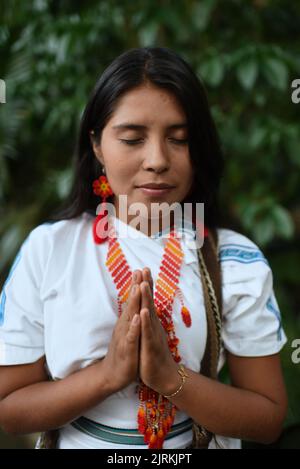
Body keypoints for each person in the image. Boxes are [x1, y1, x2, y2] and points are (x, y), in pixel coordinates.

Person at [0, 47, 287, 449]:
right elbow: (9, 408)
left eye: (180, 140)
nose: (157, 160)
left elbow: (268, 418)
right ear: (97, 145)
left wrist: (172, 380)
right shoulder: (49, 251)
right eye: (133, 138)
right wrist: (108, 375)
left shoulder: (234, 261)